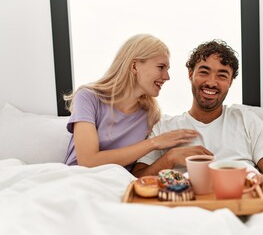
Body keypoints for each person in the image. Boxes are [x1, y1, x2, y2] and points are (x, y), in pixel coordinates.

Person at [132, 39, 263, 199]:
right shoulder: (164, 127)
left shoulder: (246, 120)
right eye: (204, 72)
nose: (211, 82)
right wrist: (170, 157)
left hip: (239, 204)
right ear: (191, 74)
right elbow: (136, 181)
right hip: (185, 208)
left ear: (230, 82)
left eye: (222, 76)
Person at [63, 34, 201, 171]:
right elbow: (88, 161)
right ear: (134, 66)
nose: (167, 77)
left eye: (167, 70)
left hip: (119, 185)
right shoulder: (88, 98)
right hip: (77, 180)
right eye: (160, 67)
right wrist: (153, 143)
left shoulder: (151, 115)